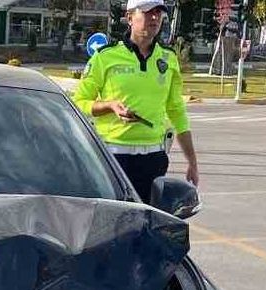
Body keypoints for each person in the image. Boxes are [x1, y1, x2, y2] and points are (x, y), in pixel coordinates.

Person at [72, 0, 199, 204]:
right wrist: (109, 106)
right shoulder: (105, 57)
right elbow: (79, 103)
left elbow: (176, 111)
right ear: (129, 18)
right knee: (114, 219)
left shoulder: (168, 58)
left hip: (153, 158)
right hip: (113, 157)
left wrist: (192, 161)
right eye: (147, 12)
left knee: (148, 219)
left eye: (158, 13)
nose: (155, 18)